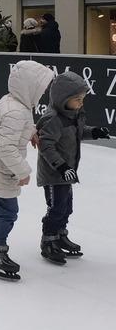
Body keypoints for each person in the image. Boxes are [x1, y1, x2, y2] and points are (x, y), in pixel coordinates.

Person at [0, 60, 54, 281]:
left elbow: (15, 129)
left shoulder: (12, 102)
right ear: (29, 88)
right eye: (40, 88)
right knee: (8, 211)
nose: (42, 93)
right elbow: (5, 147)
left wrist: (31, 132)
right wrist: (23, 171)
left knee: (0, 205)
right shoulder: (17, 111)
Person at [36, 71, 110, 264]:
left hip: (68, 172)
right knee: (56, 207)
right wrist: (61, 167)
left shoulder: (74, 115)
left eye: (83, 99)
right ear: (62, 99)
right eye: (77, 99)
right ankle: (48, 239)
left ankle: (60, 234)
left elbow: (77, 133)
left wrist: (93, 132)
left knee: (67, 207)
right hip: (54, 173)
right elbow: (45, 145)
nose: (81, 103)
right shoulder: (52, 119)